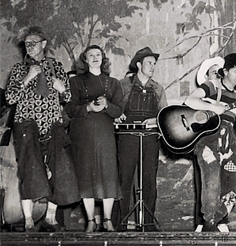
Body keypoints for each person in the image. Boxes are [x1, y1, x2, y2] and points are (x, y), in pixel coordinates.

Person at [6, 27, 79, 232]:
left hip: (53, 124)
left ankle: (50, 216)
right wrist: (27, 78)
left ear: (43, 44)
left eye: (33, 43)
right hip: (26, 125)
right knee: (29, 170)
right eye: (26, 44)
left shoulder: (56, 66)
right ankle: (28, 219)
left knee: (60, 168)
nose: (29, 47)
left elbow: (69, 98)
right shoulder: (19, 70)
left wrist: (62, 89)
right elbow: (10, 98)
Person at [184, 53, 236, 232]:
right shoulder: (212, 86)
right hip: (209, 141)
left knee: (234, 184)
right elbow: (190, 100)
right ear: (225, 71)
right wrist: (214, 107)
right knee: (212, 184)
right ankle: (210, 222)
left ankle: (212, 222)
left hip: (228, 143)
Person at [65, 45, 124, 232]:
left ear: (103, 59)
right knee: (86, 176)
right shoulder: (74, 82)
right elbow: (70, 109)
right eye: (91, 55)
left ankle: (107, 219)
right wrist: (88, 108)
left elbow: (119, 110)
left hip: (105, 135)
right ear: (85, 60)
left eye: (98, 55)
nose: (95, 58)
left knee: (108, 175)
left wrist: (107, 105)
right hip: (82, 135)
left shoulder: (113, 83)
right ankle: (90, 220)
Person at [116, 47, 167, 231]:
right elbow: (114, 108)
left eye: (154, 63)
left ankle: (146, 224)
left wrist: (155, 120)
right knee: (124, 179)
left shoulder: (158, 88)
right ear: (139, 64)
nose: (153, 67)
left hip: (150, 138)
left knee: (149, 181)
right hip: (127, 136)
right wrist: (117, 115)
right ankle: (120, 223)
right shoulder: (123, 85)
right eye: (149, 63)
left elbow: (164, 115)